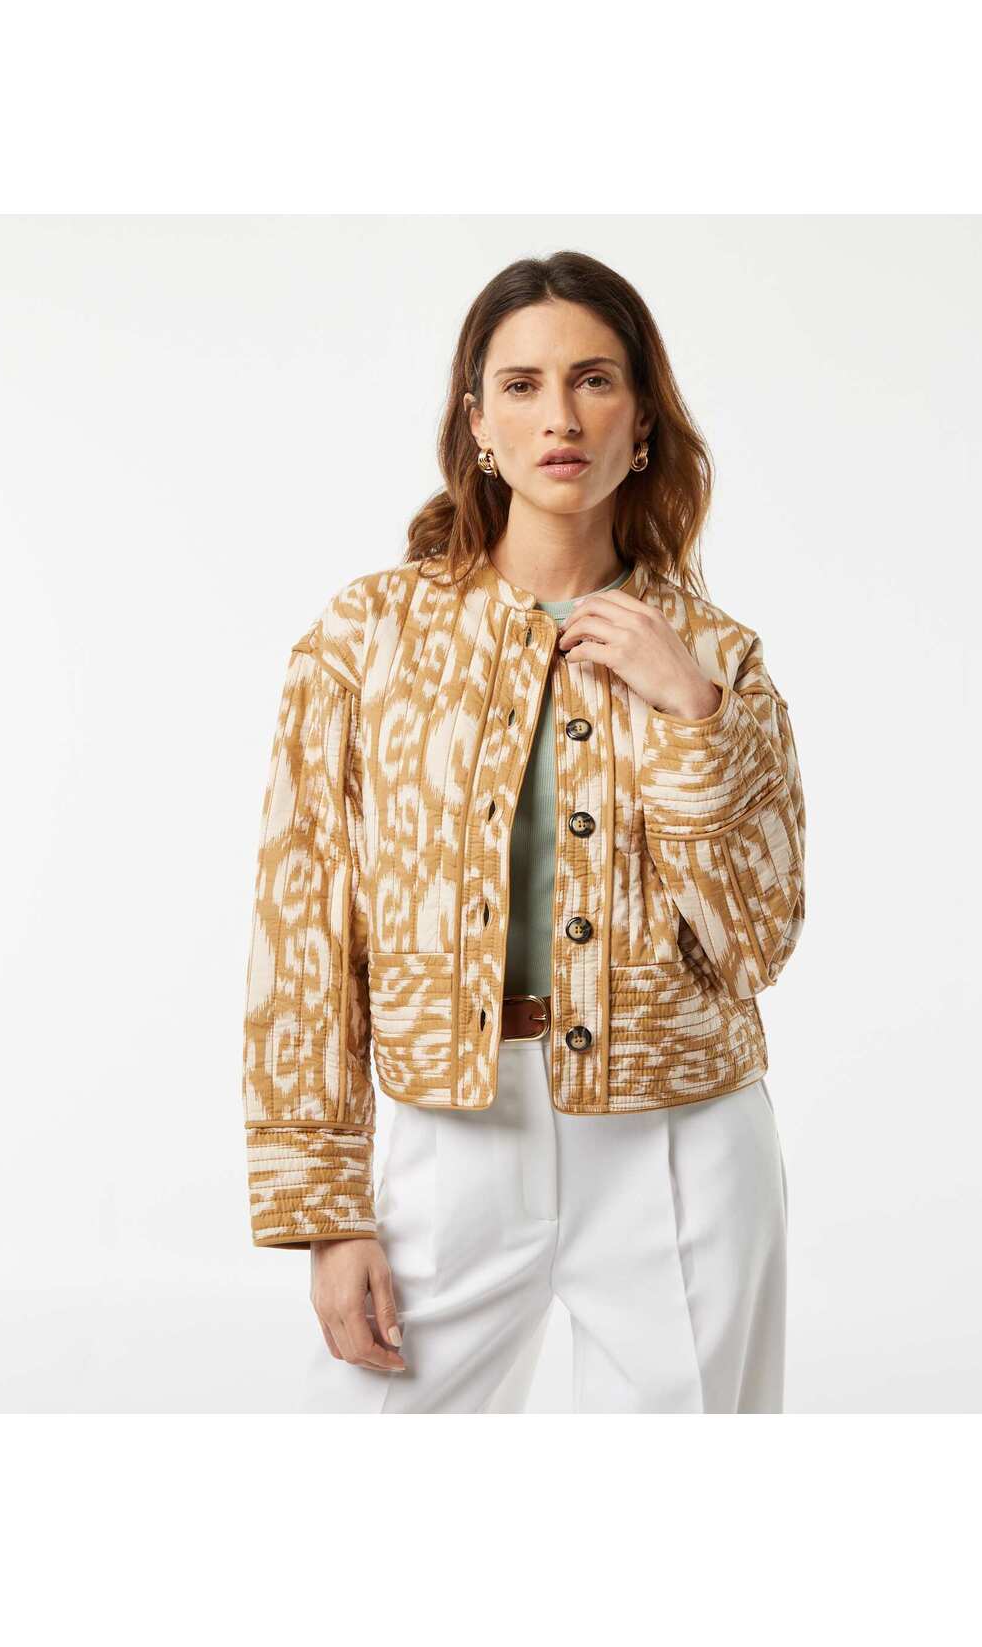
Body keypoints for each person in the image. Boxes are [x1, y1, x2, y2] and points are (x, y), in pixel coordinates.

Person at [241, 248, 807, 1413]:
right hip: (452, 1136)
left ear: (641, 421)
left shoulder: (717, 656)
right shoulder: (366, 638)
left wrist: (692, 713)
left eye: (595, 380)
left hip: (683, 1139)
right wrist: (323, 1209)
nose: (562, 416)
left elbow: (757, 944)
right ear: (477, 424)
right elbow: (303, 930)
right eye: (523, 385)